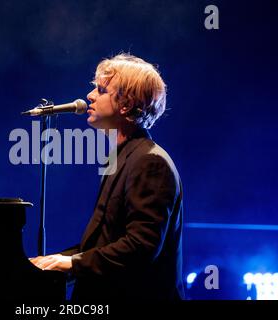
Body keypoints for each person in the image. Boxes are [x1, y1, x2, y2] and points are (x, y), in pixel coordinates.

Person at [30, 53, 184, 300]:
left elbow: (140, 248)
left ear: (126, 104)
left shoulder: (149, 162)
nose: (89, 96)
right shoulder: (120, 158)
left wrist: (72, 264)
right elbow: (104, 244)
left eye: (101, 90)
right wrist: (57, 260)